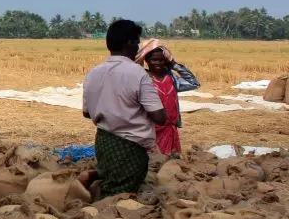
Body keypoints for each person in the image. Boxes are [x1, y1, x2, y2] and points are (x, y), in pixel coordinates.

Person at [81, 20, 167, 199]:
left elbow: (86, 112)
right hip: (129, 148)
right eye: (136, 42)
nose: (137, 47)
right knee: (120, 194)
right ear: (129, 42)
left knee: (110, 178)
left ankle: (91, 183)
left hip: (104, 142)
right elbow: (159, 116)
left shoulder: (93, 73)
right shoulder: (137, 73)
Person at [135, 39, 201, 156]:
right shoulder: (143, 78)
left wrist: (174, 65)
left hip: (171, 128)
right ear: (147, 61)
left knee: (171, 163)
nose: (158, 63)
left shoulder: (171, 79)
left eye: (161, 60)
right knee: (154, 162)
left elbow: (194, 83)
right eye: (154, 60)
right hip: (152, 130)